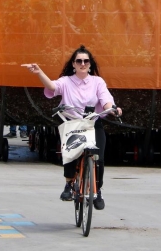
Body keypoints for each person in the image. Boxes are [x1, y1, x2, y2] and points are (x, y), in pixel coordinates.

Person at [23, 45, 122, 211]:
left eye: (86, 61)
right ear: (74, 64)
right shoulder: (66, 81)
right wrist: (39, 72)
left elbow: (105, 98)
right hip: (73, 123)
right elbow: (53, 87)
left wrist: (112, 108)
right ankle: (69, 184)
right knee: (71, 153)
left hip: (92, 122)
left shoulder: (98, 81)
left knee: (99, 158)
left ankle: (98, 191)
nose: (83, 63)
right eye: (79, 61)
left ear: (90, 64)